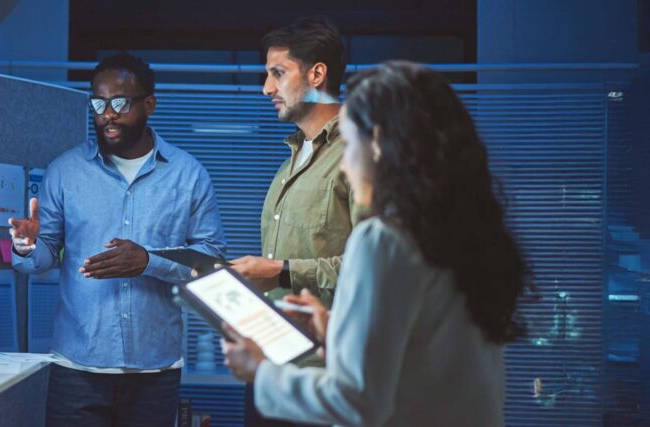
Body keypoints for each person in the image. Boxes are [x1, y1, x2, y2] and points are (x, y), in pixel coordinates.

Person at [221, 61, 529, 427]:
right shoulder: (468, 236)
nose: (345, 166)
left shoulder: (383, 240)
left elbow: (356, 403)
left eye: (350, 145)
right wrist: (337, 331)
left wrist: (261, 371)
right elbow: (429, 357)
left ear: (379, 143)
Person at [8, 53, 227, 427]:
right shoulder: (65, 172)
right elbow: (41, 257)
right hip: (77, 367)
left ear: (149, 104)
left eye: (120, 103)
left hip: (155, 369)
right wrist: (25, 245)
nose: (107, 114)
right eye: (98, 103)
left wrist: (148, 262)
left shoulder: (188, 176)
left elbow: (212, 260)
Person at [229, 16, 356, 309]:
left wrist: (281, 272)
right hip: (284, 334)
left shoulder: (360, 155)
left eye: (278, 73)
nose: (267, 88)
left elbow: (378, 266)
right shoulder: (290, 164)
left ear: (317, 74)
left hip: (333, 337)